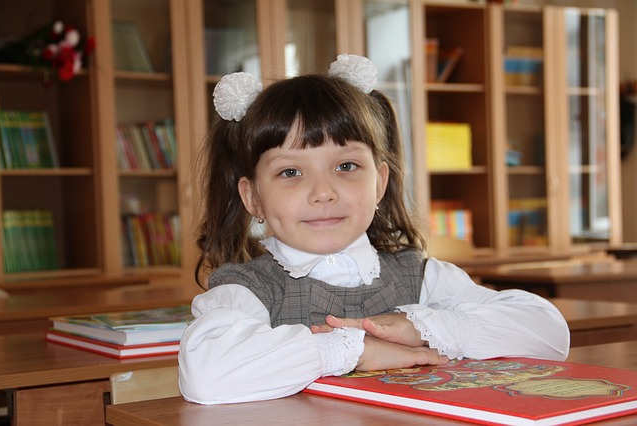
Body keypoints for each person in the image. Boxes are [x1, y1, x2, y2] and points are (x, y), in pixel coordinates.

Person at [178, 54, 569, 405]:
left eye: (346, 166)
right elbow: (205, 373)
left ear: (379, 183)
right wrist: (355, 350)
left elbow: (550, 335)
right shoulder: (247, 290)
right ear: (253, 198)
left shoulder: (420, 276)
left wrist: (421, 327)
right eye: (290, 172)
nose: (323, 193)